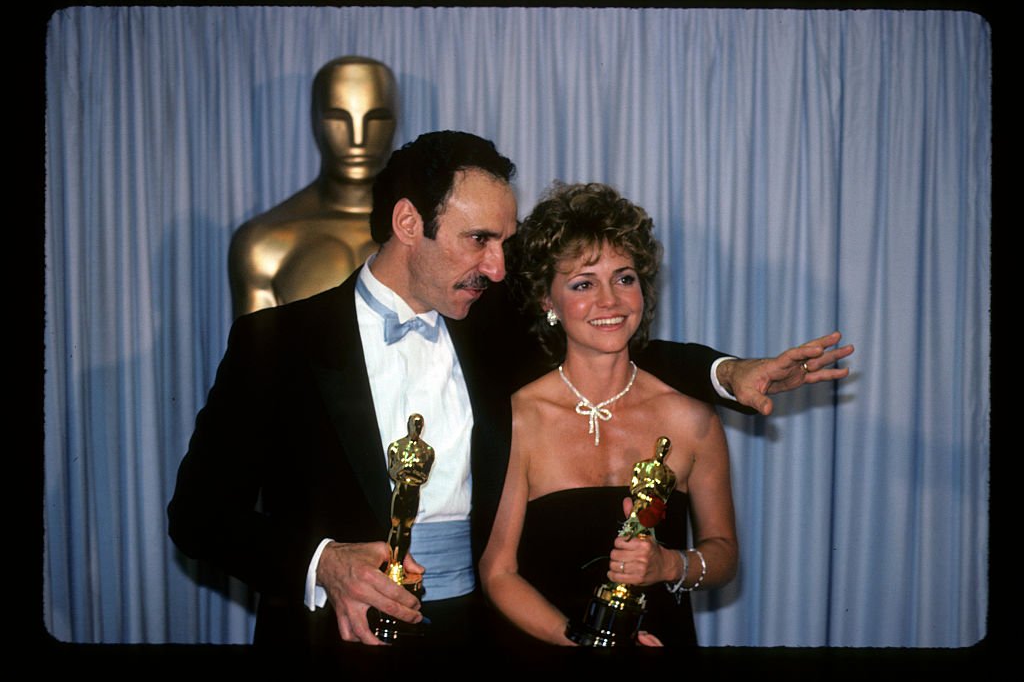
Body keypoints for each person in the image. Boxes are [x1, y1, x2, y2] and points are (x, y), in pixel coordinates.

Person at [167, 131, 852, 656]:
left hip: (484, 638)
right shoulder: (275, 340)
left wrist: (727, 372)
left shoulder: (491, 321)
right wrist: (325, 562)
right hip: (335, 641)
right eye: (479, 240)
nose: (498, 265)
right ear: (410, 224)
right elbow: (197, 515)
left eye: (506, 242)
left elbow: (610, 335)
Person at [480, 182, 739, 648]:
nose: (610, 301)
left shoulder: (691, 418)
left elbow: (724, 557)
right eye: (583, 283)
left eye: (624, 277)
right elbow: (499, 572)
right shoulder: (520, 416)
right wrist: (585, 643)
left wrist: (669, 565)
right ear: (547, 301)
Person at [228, 56, 398, 319]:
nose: (358, 139)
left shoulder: (429, 235)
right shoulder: (263, 242)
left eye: (376, 119)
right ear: (315, 121)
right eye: (338, 118)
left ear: (396, 121)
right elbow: (254, 357)